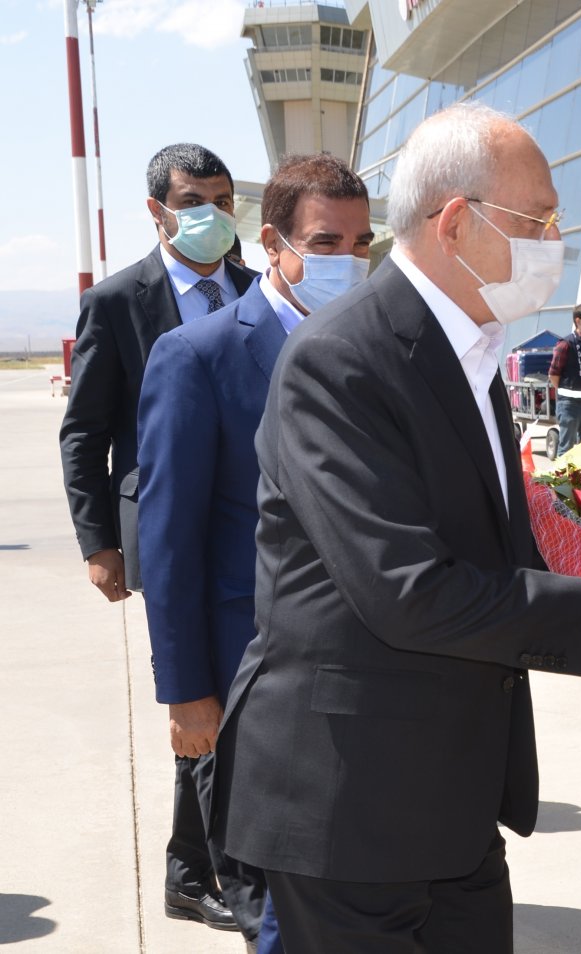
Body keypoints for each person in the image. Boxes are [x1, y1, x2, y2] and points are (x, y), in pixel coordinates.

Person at [210, 103, 581, 954]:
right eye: (540, 219)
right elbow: (409, 591)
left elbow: (501, 553)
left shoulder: (473, 358)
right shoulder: (341, 361)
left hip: (449, 797)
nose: (555, 239)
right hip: (350, 803)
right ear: (456, 223)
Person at [137, 152, 374, 952]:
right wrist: (187, 693)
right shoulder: (198, 356)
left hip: (363, 678)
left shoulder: (374, 349)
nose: (348, 261)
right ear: (271, 241)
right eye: (327, 242)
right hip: (248, 681)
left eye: (361, 242)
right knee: (272, 910)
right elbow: (170, 539)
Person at [58, 142, 256, 933]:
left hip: (245, 531)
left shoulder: (253, 288)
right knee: (195, 691)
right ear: (157, 210)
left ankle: (198, 864)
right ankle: (194, 869)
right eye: (192, 199)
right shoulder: (118, 301)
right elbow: (85, 431)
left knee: (231, 699)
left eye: (220, 197)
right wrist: (98, 541)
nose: (209, 213)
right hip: (168, 532)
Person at [548, 303, 581, 455]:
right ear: (578, 321)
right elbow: (553, 374)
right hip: (569, 404)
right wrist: (567, 392)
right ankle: (563, 478)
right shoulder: (566, 344)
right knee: (566, 449)